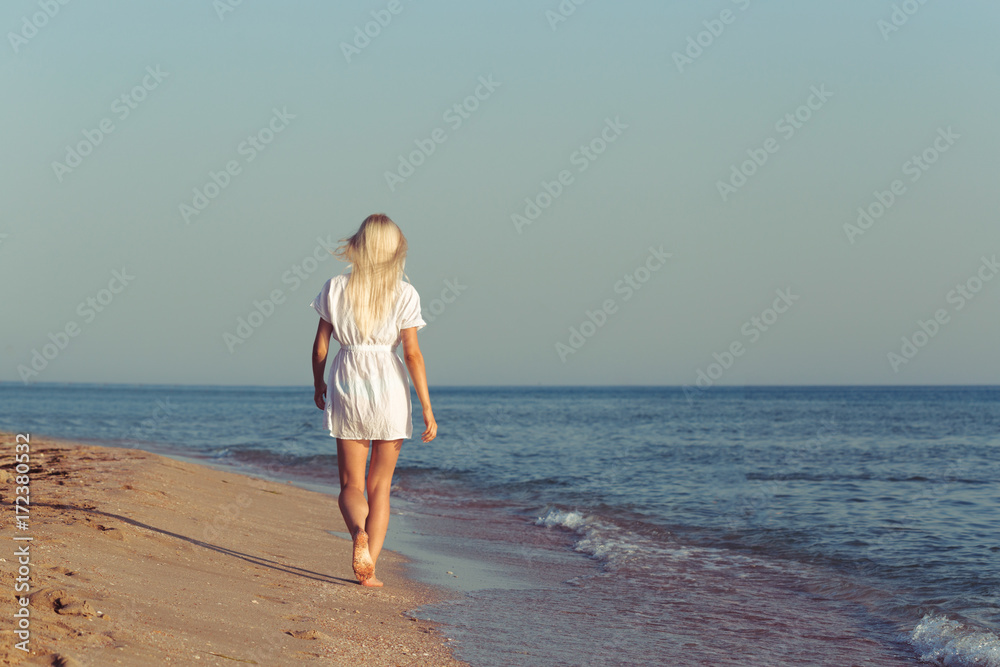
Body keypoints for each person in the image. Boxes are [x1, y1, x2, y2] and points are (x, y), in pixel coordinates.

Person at [310, 213, 437, 587]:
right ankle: (370, 572)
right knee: (380, 485)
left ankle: (357, 536)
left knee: (352, 483)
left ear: (359, 246)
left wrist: (318, 384)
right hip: (389, 385)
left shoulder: (335, 287)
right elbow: (412, 354)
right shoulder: (405, 293)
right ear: (397, 250)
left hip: (348, 379)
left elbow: (320, 347)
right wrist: (428, 408)